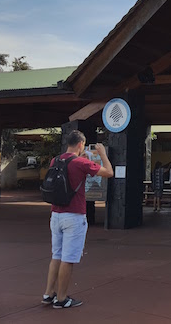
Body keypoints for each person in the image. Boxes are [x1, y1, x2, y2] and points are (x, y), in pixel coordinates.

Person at [42, 130, 113, 309]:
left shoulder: (55, 160)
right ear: (81, 144)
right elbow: (109, 172)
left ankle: (48, 294)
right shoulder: (81, 162)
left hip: (56, 215)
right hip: (74, 216)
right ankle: (62, 298)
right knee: (68, 258)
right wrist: (102, 153)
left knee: (56, 255)